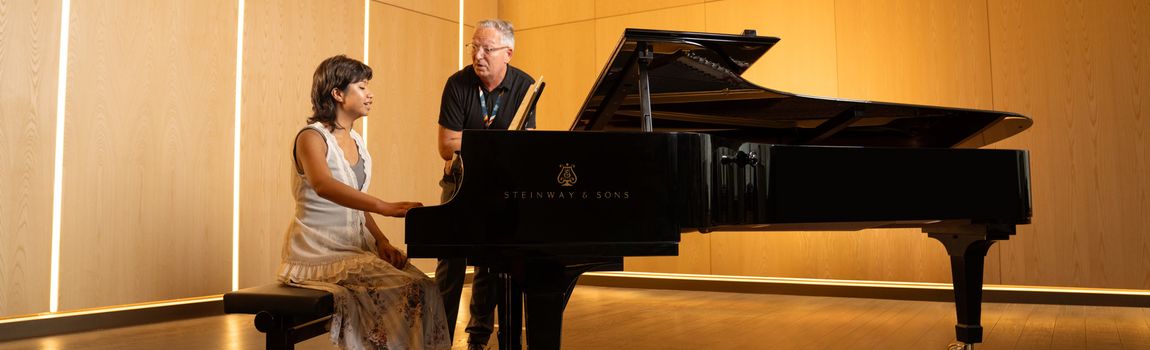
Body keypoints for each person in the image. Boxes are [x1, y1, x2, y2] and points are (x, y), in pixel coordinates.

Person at [279, 55, 450, 350]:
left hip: (355, 248)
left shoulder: (357, 142)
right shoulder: (311, 137)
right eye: (361, 86)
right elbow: (323, 185)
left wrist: (382, 241)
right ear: (337, 93)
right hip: (319, 252)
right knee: (410, 290)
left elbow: (356, 206)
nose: (369, 94)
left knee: (428, 288)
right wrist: (385, 206)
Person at [435, 19, 536, 350]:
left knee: (493, 265)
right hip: (460, 182)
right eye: (473, 46)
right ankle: (438, 340)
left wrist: (471, 142)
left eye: (486, 49)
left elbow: (526, 144)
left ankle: (478, 337)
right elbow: (445, 145)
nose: (477, 55)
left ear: (507, 53)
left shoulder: (525, 86)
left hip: (501, 185)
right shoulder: (457, 84)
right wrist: (498, 142)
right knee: (450, 267)